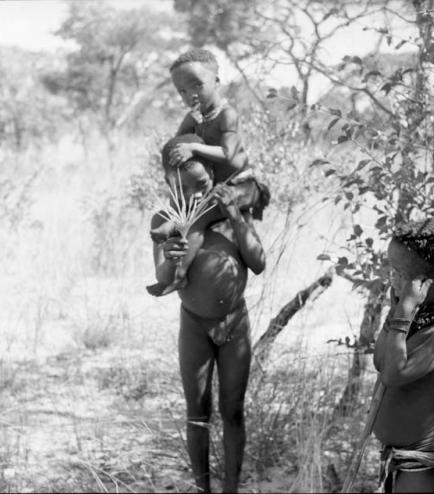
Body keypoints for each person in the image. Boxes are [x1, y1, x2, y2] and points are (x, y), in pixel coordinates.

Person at [150, 135, 266, 493]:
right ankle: (203, 488)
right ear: (169, 183)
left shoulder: (234, 209)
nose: (195, 195)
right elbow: (163, 280)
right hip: (194, 325)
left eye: (201, 185)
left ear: (213, 174)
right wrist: (169, 259)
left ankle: (231, 487)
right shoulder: (166, 219)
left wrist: (234, 215)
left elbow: (258, 263)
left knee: (233, 410)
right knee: (197, 413)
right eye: (183, 187)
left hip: (235, 322)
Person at [147, 48, 268, 297]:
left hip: (243, 186)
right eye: (182, 91)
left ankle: (179, 275)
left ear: (216, 81)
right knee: (186, 201)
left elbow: (228, 153)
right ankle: (167, 260)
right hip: (214, 186)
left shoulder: (227, 115)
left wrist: (194, 147)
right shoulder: (195, 117)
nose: (190, 94)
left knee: (198, 219)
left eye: (197, 86)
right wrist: (182, 140)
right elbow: (175, 143)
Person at [372, 215, 434, 493]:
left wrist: (403, 313)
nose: (393, 280)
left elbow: (394, 374)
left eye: (402, 275)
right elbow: (381, 362)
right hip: (401, 460)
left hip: (425, 467)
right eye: (392, 271)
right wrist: (395, 314)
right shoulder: (418, 316)